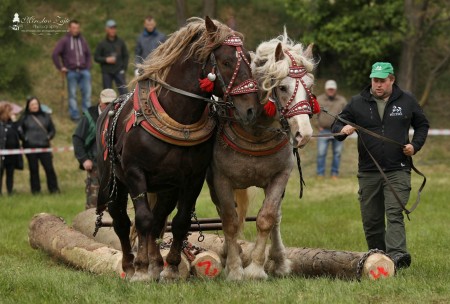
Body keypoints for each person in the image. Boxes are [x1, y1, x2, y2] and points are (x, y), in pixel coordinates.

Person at [332, 62, 429, 269]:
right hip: (368, 172)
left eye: (382, 81)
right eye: (375, 80)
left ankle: (397, 257)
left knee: (394, 214)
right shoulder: (357, 102)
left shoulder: (407, 100)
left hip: (398, 169)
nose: (378, 85)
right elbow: (336, 125)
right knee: (372, 220)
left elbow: (422, 124)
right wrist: (344, 129)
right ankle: (379, 260)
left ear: (391, 80)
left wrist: (415, 145)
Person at [72, 88, 117, 209]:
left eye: (112, 103)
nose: (109, 106)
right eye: (107, 103)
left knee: (115, 200)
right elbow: (77, 139)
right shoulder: (89, 117)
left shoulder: (118, 115)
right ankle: (90, 225)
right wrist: (84, 159)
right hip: (95, 163)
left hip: (114, 164)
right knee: (94, 201)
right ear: (100, 102)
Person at [52, 19, 92, 121]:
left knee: (87, 94)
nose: (76, 30)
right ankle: (74, 115)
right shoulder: (64, 40)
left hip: (84, 71)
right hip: (71, 71)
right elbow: (55, 54)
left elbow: (88, 54)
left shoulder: (82, 40)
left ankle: (86, 115)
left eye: (77, 28)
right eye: (73, 28)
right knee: (72, 94)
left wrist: (88, 66)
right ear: (69, 28)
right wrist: (60, 67)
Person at [18, 97, 60, 194]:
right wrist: (25, 139)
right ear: (28, 106)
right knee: (33, 169)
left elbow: (52, 130)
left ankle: (54, 190)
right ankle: (36, 191)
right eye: (32, 104)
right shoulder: (24, 117)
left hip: (44, 146)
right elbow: (19, 130)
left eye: (36, 104)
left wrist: (49, 137)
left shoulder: (46, 116)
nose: (34, 106)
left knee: (49, 168)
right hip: (30, 147)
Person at [315, 80, 347, 179]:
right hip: (323, 131)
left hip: (337, 131)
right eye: (329, 89)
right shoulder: (319, 99)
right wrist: (317, 126)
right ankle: (320, 174)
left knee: (337, 153)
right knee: (321, 153)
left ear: (335, 89)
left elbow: (347, 115)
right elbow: (314, 114)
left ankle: (334, 174)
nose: (331, 91)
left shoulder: (342, 101)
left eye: (332, 89)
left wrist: (343, 127)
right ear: (326, 89)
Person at [94, 20, 129, 95]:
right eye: (110, 28)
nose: (112, 30)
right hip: (107, 72)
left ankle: (125, 106)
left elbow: (126, 55)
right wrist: (106, 60)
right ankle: (108, 107)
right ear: (106, 29)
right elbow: (96, 57)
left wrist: (124, 68)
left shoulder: (120, 42)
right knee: (107, 94)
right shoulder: (102, 44)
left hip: (119, 71)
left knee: (124, 93)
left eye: (114, 28)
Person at [0, 103, 23, 195]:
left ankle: (10, 191)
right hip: (1, 154)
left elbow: (22, 135)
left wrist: (15, 122)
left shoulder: (14, 124)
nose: (11, 113)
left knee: (10, 174)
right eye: (9, 111)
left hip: (12, 155)